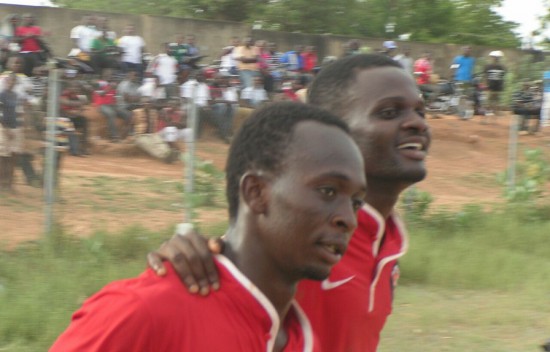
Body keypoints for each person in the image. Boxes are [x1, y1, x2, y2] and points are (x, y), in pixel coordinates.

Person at [147, 53, 431, 352]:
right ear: (330, 129)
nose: (417, 123)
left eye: (421, 112)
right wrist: (186, 256)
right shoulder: (306, 237)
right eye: (389, 112)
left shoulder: (388, 240)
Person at [50, 101, 367, 351]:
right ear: (256, 193)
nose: (348, 219)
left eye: (355, 202)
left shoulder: (304, 336)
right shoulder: (146, 310)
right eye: (328, 191)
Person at [483, 50, 506, 117]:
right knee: (488, 100)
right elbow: (485, 76)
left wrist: (502, 85)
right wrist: (485, 85)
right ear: (491, 57)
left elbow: (502, 77)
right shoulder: (487, 66)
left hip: (498, 86)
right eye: (494, 57)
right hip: (489, 86)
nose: (496, 58)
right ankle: (487, 112)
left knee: (496, 100)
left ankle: (495, 113)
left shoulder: (502, 67)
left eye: (497, 57)